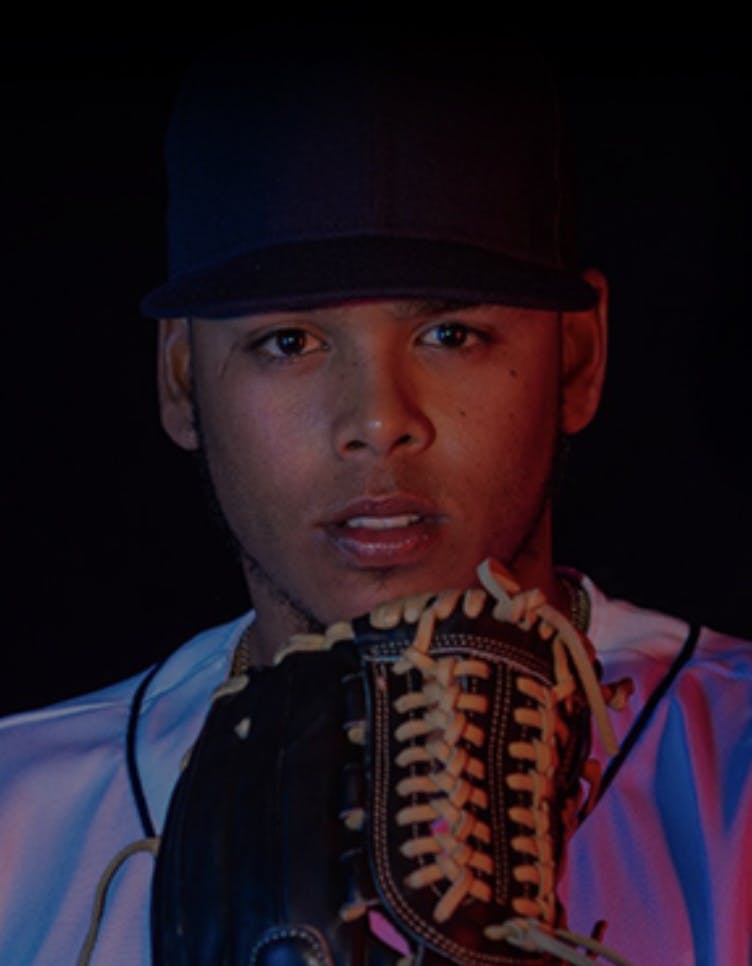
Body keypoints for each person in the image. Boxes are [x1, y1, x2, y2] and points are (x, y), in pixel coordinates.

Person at [1, 31, 750, 965]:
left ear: (577, 357)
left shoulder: (735, 773)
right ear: (182, 380)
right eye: (289, 342)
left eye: (450, 333)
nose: (378, 420)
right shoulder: (16, 828)